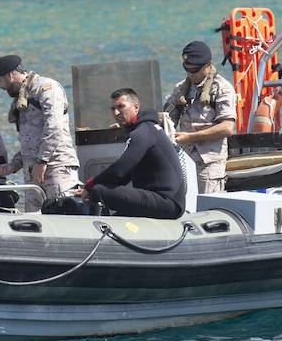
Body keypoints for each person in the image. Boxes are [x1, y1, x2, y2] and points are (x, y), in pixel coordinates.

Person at [0, 54, 81, 212]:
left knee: (65, 215)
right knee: (34, 224)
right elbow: (30, 141)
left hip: (57, 169)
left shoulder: (47, 88)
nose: (0, 86)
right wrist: (14, 165)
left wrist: (42, 161)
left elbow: (55, 127)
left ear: (9, 75)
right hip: (33, 174)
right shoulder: (22, 97)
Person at [80, 88, 186, 219]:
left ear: (136, 107)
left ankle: (95, 231)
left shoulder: (143, 131)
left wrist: (90, 186)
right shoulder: (147, 128)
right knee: (106, 197)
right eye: (113, 109)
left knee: (98, 191)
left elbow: (120, 169)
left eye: (121, 107)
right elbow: (124, 176)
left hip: (166, 202)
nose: (116, 112)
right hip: (164, 201)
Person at [164, 40, 237, 194]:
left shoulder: (222, 88)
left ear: (208, 66)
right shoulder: (180, 89)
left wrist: (191, 137)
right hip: (184, 160)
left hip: (208, 164)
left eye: (195, 70)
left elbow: (227, 128)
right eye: (187, 69)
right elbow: (167, 117)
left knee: (206, 207)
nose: (191, 74)